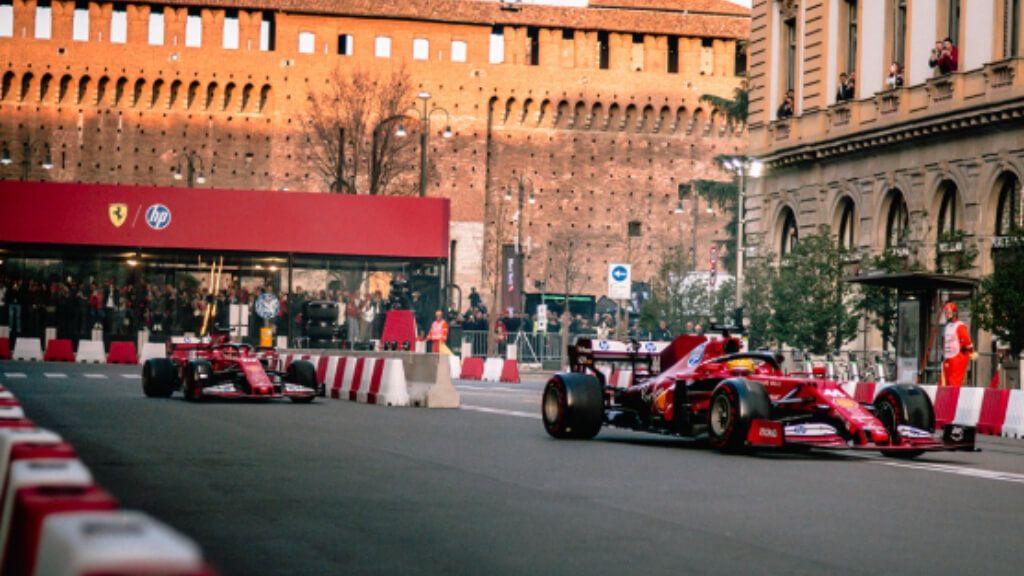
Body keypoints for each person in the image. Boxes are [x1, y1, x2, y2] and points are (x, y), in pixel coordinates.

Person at [941, 302, 976, 387]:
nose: (947, 314)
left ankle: (952, 399)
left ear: (954, 313)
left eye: (948, 312)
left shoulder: (960, 326)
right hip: (948, 358)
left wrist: (970, 351)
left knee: (954, 383)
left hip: (957, 358)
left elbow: (967, 341)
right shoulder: (947, 326)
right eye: (946, 313)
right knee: (945, 382)